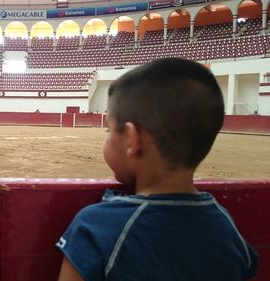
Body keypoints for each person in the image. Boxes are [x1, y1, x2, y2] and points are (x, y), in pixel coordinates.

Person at [56, 58, 258, 281]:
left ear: (132, 141)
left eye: (108, 131)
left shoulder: (95, 226)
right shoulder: (226, 226)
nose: (106, 138)